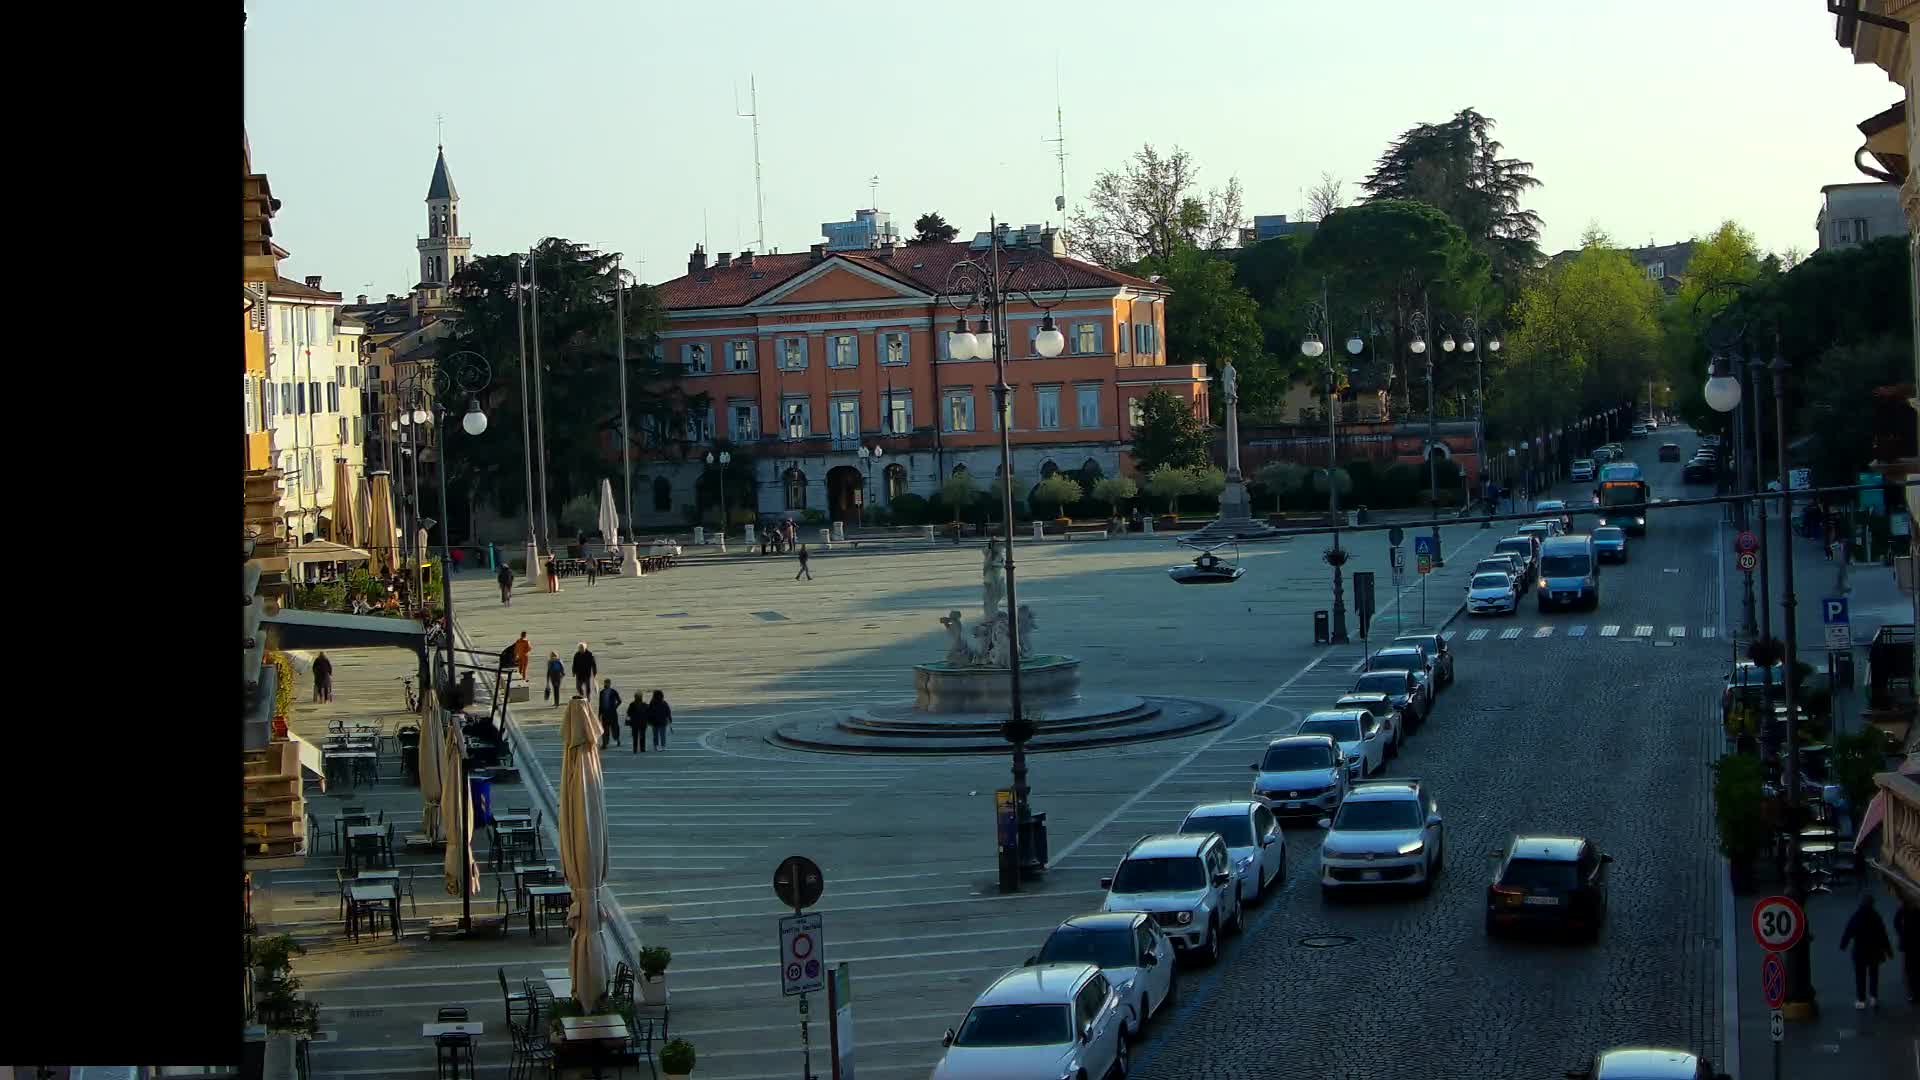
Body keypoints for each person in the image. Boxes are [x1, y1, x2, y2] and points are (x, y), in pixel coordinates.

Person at [1839, 892, 1893, 1009]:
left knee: (1860, 976)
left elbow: (1848, 931)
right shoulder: (1876, 917)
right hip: (1874, 951)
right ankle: (1873, 997)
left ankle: (1861, 1000)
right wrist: (1889, 951)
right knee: (1874, 974)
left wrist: (1843, 945)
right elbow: (1883, 935)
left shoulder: (1856, 916)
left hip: (1859, 951)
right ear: (1872, 904)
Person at [1893, 901, 1919, 1004]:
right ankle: (1915, 992)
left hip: (1908, 943)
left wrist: (1902, 932)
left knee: (1909, 968)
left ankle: (1913, 993)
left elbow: (1896, 922)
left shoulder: (1904, 907)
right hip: (1916, 942)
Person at [598, 678, 622, 749]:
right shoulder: (602, 692)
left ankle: (617, 739)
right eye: (605, 683)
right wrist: (599, 714)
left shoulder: (613, 692)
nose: (606, 684)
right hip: (605, 713)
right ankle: (605, 743)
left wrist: (615, 707)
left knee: (614, 727)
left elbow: (619, 701)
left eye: (608, 683)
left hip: (612, 713)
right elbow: (600, 704)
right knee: (605, 729)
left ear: (610, 684)